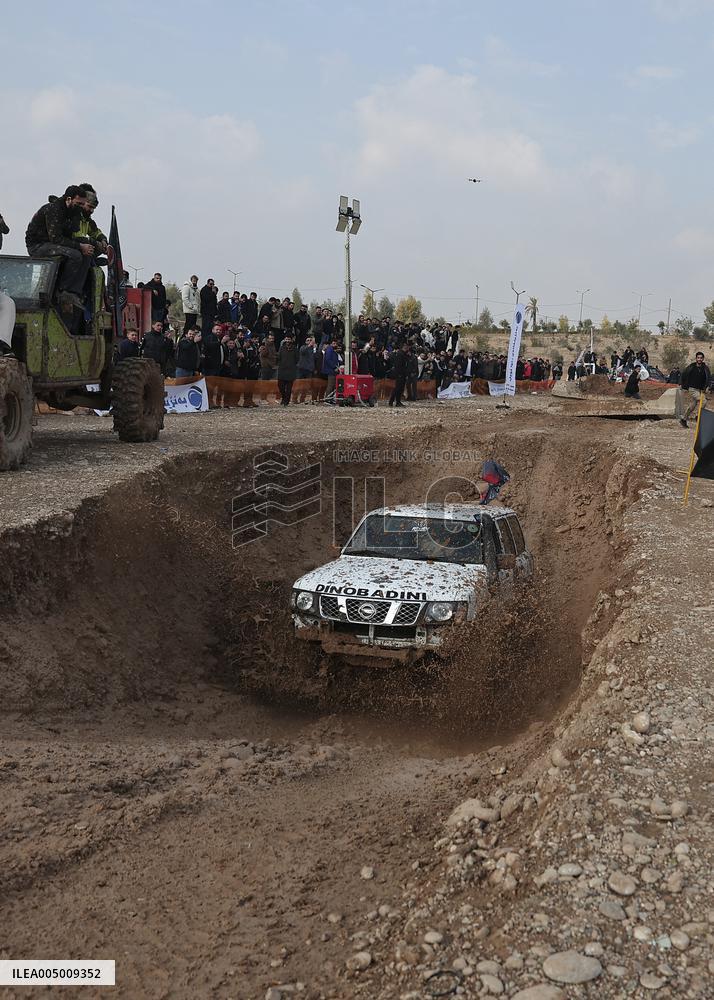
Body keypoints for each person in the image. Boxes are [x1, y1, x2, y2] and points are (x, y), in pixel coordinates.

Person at [25, 186, 93, 305]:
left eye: (83, 204)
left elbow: (72, 232)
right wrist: (80, 246)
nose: (81, 207)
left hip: (52, 243)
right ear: (68, 199)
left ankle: (74, 291)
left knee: (87, 250)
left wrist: (86, 245)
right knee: (75, 255)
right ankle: (63, 290)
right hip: (38, 246)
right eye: (78, 203)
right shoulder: (53, 209)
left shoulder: (72, 212)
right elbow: (56, 238)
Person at [677, 351, 710, 428]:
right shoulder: (691, 367)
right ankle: (698, 416)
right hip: (692, 389)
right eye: (698, 358)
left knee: (693, 405)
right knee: (704, 401)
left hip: (700, 390)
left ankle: (683, 419)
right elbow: (684, 374)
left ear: (703, 359)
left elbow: (708, 378)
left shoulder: (705, 368)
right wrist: (680, 383)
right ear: (696, 358)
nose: (699, 359)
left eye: (701, 358)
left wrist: (707, 386)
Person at [277, 332, 298, 406]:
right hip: (282, 370)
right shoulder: (281, 348)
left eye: (289, 339)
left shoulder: (295, 349)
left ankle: (286, 401)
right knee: (280, 386)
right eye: (286, 339)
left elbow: (297, 359)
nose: (288, 341)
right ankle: (284, 397)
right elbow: (279, 358)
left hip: (291, 370)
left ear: (291, 340)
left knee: (289, 389)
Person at [389, 343, 409, 408]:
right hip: (400, 374)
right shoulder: (400, 354)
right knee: (398, 388)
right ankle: (392, 401)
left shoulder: (403, 354)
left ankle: (398, 401)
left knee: (400, 388)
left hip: (402, 374)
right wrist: (400, 374)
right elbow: (399, 365)